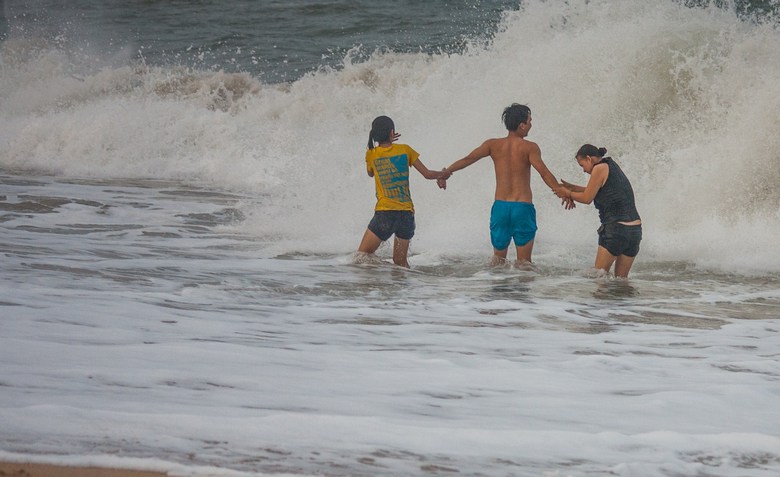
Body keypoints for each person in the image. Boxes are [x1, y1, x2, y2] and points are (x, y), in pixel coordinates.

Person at [437, 103, 568, 267]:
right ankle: (522, 292)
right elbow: (544, 173)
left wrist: (447, 172)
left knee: (497, 262)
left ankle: (497, 291)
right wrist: (562, 192)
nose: (531, 124)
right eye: (529, 121)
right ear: (521, 125)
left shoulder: (493, 145)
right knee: (524, 264)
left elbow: (468, 159)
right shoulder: (530, 147)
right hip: (522, 208)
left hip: (500, 208)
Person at [354, 115, 447, 268]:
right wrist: (443, 174)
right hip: (406, 215)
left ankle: (376, 281)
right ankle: (404, 290)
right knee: (401, 263)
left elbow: (371, 173)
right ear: (392, 132)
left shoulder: (371, 154)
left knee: (361, 257)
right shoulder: (405, 150)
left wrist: (382, 142)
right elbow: (427, 174)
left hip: (385, 214)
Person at [555, 144, 642, 278]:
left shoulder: (599, 168)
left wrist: (567, 193)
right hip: (635, 232)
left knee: (598, 279)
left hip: (616, 230)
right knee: (621, 282)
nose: (583, 170)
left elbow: (587, 198)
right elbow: (598, 190)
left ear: (589, 159)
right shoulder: (610, 165)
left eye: (582, 165)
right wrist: (572, 188)